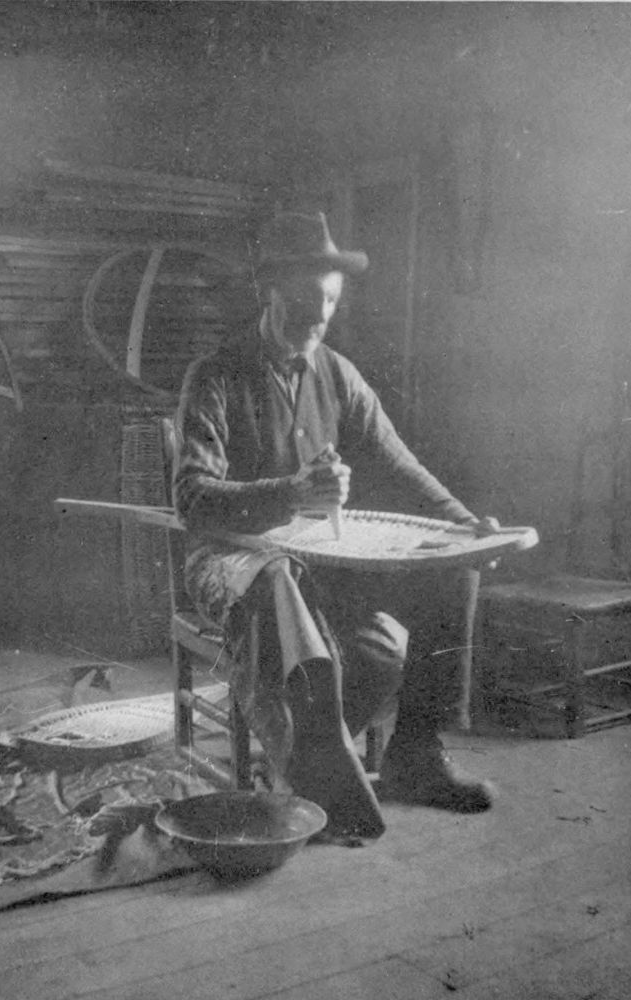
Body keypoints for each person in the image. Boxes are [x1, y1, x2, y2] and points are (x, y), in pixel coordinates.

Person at [173, 211, 498, 838]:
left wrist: (466, 528)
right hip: (231, 562)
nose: (318, 316)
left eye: (328, 301)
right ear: (267, 291)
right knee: (277, 578)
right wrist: (292, 493)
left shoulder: (338, 374)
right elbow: (191, 498)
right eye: (304, 300)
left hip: (320, 559)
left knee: (452, 573)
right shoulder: (214, 375)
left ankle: (416, 756)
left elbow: (398, 464)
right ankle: (313, 769)